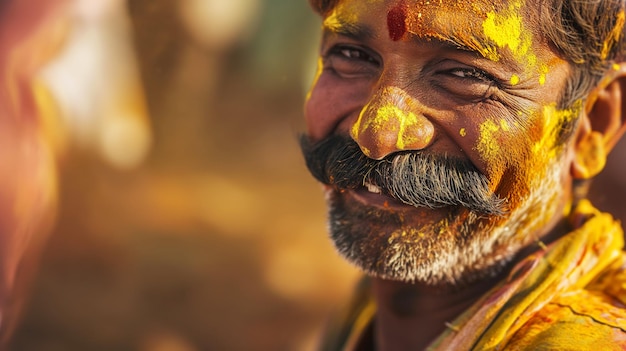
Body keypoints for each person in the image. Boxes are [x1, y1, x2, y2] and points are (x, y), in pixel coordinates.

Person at [300, 0, 626, 349]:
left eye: (465, 75)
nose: (376, 135)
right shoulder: (361, 314)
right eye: (353, 56)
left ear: (594, 125)